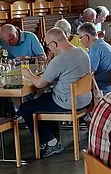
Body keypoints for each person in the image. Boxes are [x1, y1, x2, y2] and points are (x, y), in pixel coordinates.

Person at [17, 28, 92, 158]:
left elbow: (40, 84)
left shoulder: (59, 60)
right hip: (84, 98)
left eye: (48, 45)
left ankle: (51, 142)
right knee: (43, 100)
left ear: (54, 44)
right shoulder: (82, 52)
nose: (49, 49)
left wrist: (27, 74)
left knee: (25, 108)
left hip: (67, 102)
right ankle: (52, 138)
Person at [77, 22, 111, 93]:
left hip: (103, 87)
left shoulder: (95, 49)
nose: (80, 41)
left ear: (86, 37)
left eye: (80, 38)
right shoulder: (103, 44)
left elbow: (89, 72)